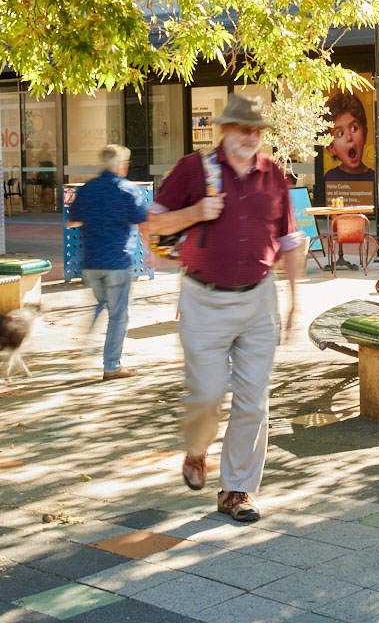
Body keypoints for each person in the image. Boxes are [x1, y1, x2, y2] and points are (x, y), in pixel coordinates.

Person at [146, 95, 300, 524]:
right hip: (204, 299)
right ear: (224, 130)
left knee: (253, 402)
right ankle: (197, 448)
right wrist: (196, 211)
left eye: (256, 130)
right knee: (208, 394)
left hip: (259, 299)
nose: (250, 137)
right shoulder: (193, 170)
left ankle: (237, 490)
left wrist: (294, 299)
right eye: (242, 128)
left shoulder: (272, 175)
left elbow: (288, 239)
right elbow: (154, 224)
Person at [66, 145, 148, 381]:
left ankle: (86, 343)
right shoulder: (127, 189)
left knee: (103, 302)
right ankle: (112, 365)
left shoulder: (88, 189)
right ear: (121, 165)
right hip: (117, 263)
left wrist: (95, 218)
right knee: (119, 315)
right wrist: (150, 253)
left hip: (91, 263)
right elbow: (141, 222)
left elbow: (72, 222)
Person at [324, 93, 376, 183]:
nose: (349, 137)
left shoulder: (375, 179)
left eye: (354, 128)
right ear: (331, 147)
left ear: (365, 132)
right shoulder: (330, 178)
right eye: (340, 134)